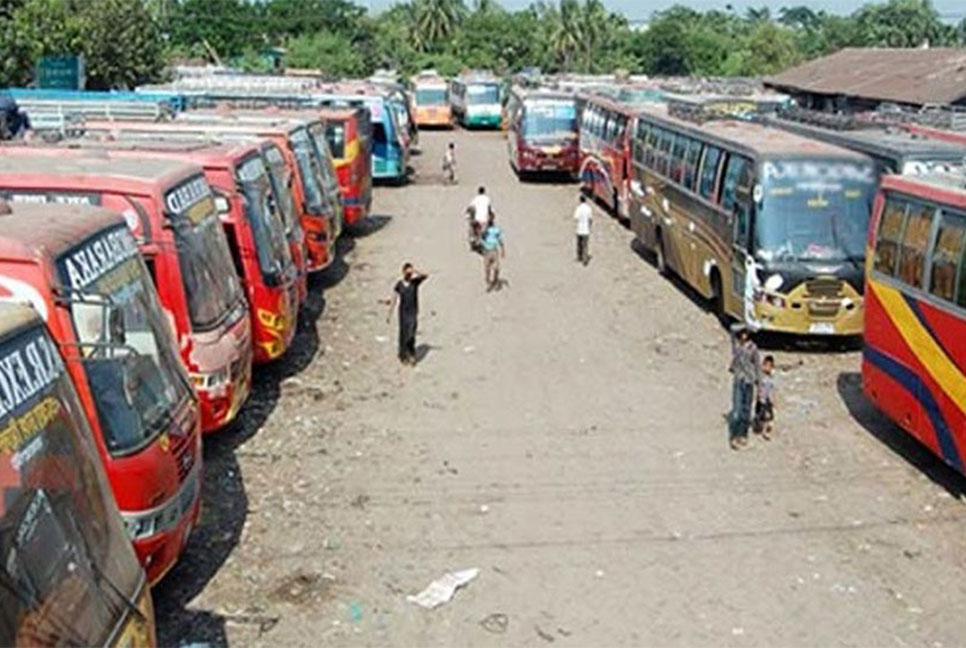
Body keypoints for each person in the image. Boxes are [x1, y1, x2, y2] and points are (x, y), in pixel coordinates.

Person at [385, 263, 429, 365]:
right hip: (403, 313)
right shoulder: (399, 285)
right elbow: (394, 300)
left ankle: (411, 353)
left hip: (413, 312)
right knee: (404, 333)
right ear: (403, 272)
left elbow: (426, 275)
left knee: (412, 332)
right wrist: (389, 314)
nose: (409, 274)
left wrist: (415, 271)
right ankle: (403, 355)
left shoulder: (415, 282)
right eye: (407, 271)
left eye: (410, 272)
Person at [728, 324, 760, 449]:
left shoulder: (753, 349)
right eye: (742, 334)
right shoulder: (736, 347)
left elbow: (757, 367)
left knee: (746, 411)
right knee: (736, 411)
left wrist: (760, 386)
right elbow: (732, 329)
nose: (743, 336)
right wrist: (745, 324)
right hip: (738, 381)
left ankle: (743, 435)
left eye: (746, 333)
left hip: (749, 382)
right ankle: (734, 436)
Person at [480, 213, 505, 291]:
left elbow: (500, 239)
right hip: (486, 250)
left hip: (494, 250)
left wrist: (503, 250)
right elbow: (481, 236)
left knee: (496, 267)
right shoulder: (485, 229)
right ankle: (488, 282)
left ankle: (495, 280)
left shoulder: (496, 230)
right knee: (487, 268)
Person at [754, 355, 777, 440]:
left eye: (769, 366)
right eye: (765, 365)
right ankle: (758, 424)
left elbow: (773, 389)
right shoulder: (761, 377)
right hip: (761, 399)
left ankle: (766, 431)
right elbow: (758, 386)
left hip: (768, 399)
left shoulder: (772, 378)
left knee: (769, 416)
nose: (767, 368)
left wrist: (774, 399)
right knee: (760, 414)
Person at [465, 186, 493, 251]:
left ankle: (472, 239)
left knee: (472, 227)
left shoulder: (475, 199)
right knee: (486, 228)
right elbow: (489, 208)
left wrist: (467, 212)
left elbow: (470, 207)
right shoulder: (487, 199)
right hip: (484, 219)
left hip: (477, 218)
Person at [574, 194, 593, 265]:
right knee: (585, 245)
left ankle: (579, 256)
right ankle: (585, 259)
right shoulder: (588, 209)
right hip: (586, 230)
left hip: (579, 229)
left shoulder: (578, 208)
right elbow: (590, 219)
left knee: (579, 244)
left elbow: (576, 218)